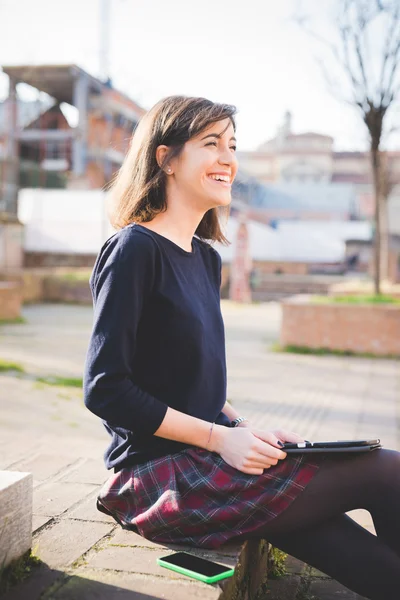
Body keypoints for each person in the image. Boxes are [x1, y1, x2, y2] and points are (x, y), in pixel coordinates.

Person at [83, 96, 400, 600]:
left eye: (233, 144)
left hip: (208, 458)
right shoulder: (134, 250)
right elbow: (107, 390)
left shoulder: (205, 259)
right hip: (159, 477)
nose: (229, 157)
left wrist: (243, 428)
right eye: (211, 143)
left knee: (373, 565)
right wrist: (219, 439)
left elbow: (190, 380)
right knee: (388, 471)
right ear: (165, 158)